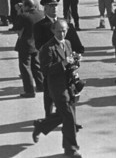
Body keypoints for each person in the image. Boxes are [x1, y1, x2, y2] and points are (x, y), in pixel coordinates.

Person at [34, 20, 82, 158]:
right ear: (53, 31)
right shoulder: (48, 48)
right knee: (68, 116)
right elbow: (45, 70)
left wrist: (75, 61)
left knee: (64, 114)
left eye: (64, 30)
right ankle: (71, 149)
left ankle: (41, 126)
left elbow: (70, 63)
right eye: (59, 31)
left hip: (68, 85)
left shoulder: (67, 43)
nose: (62, 33)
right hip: (56, 87)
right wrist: (64, 63)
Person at [14, 0, 43, 97]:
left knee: (25, 67)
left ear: (25, 6)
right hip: (37, 43)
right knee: (36, 65)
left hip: (25, 44)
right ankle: (41, 85)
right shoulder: (41, 14)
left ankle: (29, 90)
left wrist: (19, 11)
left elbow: (16, 27)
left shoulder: (23, 16)